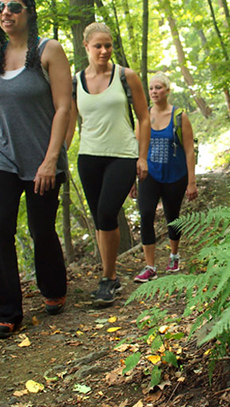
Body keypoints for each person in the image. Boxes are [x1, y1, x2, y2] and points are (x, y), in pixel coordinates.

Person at [0, 0, 72, 339]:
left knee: (41, 229)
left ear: (29, 11)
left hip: (41, 155)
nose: (6, 12)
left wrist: (51, 160)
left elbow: (64, 106)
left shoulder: (48, 50)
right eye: (0, 6)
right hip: (0, 156)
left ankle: (53, 289)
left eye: (14, 7)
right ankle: (7, 312)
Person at [65, 22, 150, 306]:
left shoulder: (126, 76)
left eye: (108, 45)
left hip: (122, 154)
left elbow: (144, 117)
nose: (104, 51)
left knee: (106, 213)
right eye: (98, 46)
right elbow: (68, 121)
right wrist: (58, 154)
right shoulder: (75, 81)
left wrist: (142, 156)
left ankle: (108, 277)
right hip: (89, 157)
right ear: (86, 47)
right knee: (101, 221)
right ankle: (108, 276)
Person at [134, 72, 198, 283]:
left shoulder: (179, 117)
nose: (154, 91)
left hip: (175, 175)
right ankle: (150, 266)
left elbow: (189, 149)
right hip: (149, 175)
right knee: (145, 215)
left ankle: (174, 255)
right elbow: (136, 149)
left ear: (167, 91)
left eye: (159, 87)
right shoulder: (144, 116)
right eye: (151, 88)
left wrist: (191, 181)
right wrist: (130, 180)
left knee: (173, 217)